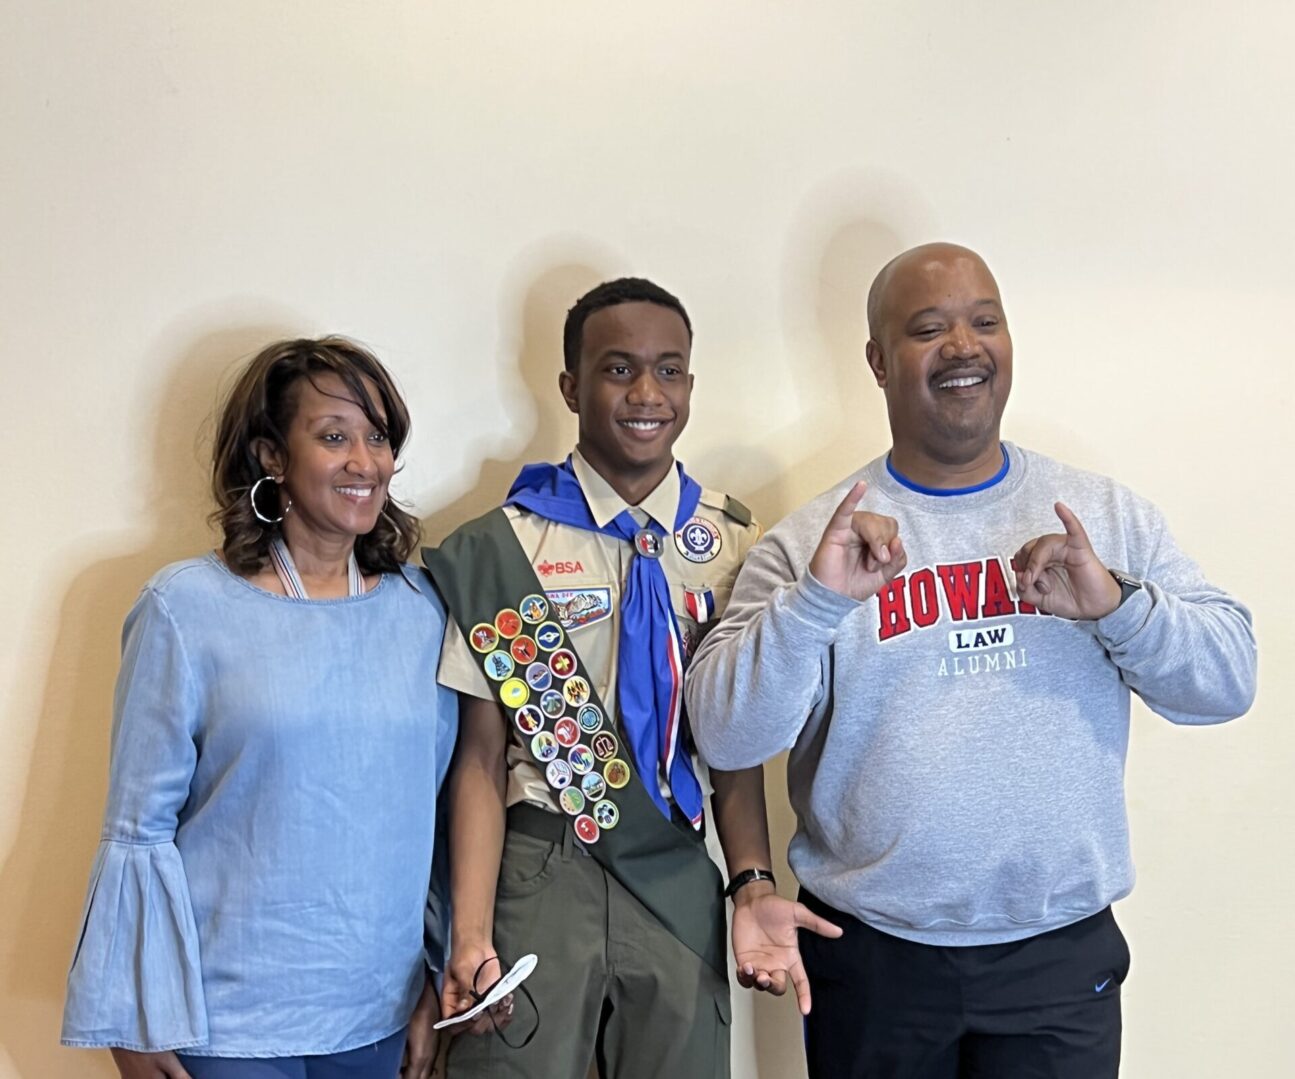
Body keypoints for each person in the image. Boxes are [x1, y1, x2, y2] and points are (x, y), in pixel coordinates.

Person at [686, 243, 1257, 1079]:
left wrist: (1119, 605)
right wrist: (817, 602)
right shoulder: (813, 540)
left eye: (983, 321)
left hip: (1056, 956)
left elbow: (1228, 682)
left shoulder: (1099, 517)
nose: (962, 344)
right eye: (928, 328)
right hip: (873, 957)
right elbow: (727, 734)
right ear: (878, 361)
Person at [423, 278, 839, 1079]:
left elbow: (733, 739)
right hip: (537, 863)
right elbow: (477, 758)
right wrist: (471, 931)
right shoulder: (504, 545)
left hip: (675, 867)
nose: (646, 393)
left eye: (669, 370)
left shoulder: (728, 540)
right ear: (571, 386)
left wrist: (750, 881)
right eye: (617, 370)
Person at [61, 337, 458, 1079]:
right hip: (224, 1021)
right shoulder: (185, 608)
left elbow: (430, 814)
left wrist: (433, 976)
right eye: (333, 436)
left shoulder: (422, 610)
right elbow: (138, 824)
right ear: (271, 455)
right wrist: (134, 1016)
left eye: (378, 437)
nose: (363, 462)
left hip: (376, 1012)